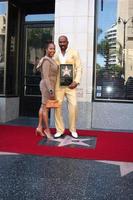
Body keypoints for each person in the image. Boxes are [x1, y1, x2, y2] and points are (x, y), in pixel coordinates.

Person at [54, 35, 82, 138]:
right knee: (57, 107)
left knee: (73, 106)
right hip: (58, 85)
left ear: (67, 42)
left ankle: (73, 129)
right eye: (60, 42)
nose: (62, 44)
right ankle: (60, 130)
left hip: (71, 85)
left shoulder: (74, 53)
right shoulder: (56, 55)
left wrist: (76, 81)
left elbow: (79, 68)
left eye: (63, 42)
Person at [35, 42, 58, 139]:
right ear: (46, 49)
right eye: (50, 48)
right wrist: (51, 91)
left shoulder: (51, 60)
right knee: (46, 108)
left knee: (43, 106)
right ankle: (47, 130)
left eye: (54, 49)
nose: (52, 50)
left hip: (49, 86)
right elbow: (46, 77)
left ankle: (39, 127)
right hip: (47, 86)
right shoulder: (46, 61)